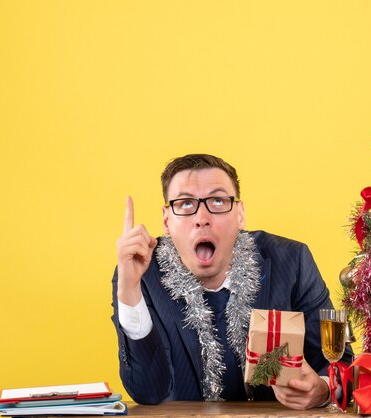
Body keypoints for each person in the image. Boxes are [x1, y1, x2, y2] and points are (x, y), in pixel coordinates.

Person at [111, 154, 352, 410]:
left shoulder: (292, 261)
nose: (202, 218)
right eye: (184, 204)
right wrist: (128, 291)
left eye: (217, 200)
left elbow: (342, 363)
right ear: (166, 220)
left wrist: (323, 389)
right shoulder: (141, 273)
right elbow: (147, 391)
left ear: (240, 214)